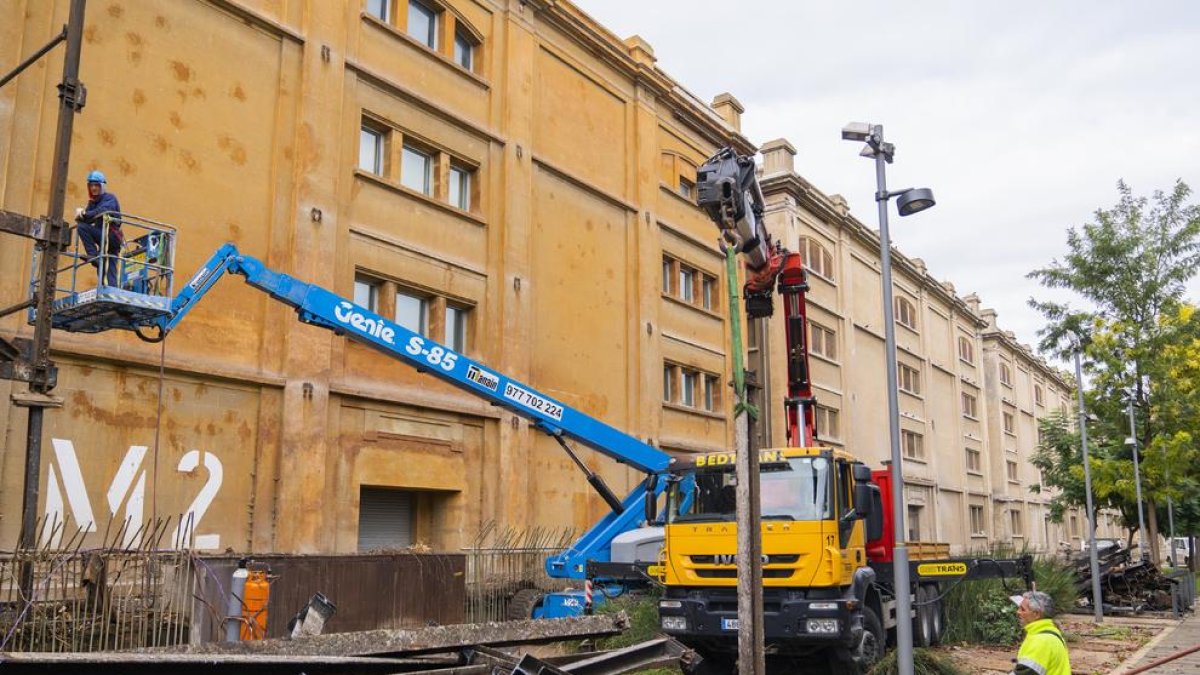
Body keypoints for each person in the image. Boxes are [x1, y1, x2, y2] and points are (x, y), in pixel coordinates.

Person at [75, 170, 123, 287]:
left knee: (82, 228)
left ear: (102, 186)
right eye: (91, 185)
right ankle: (109, 289)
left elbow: (102, 211)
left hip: (111, 236)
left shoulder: (109, 198)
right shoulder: (93, 203)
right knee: (106, 266)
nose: (94, 188)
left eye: (96, 185)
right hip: (104, 239)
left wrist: (85, 214)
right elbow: (88, 219)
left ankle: (93, 255)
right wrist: (80, 215)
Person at [1009, 590, 1071, 675]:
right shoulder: (1051, 632)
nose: (1018, 612)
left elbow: (1025, 672)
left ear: (1036, 614)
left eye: (1022, 609)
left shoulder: (1041, 641)